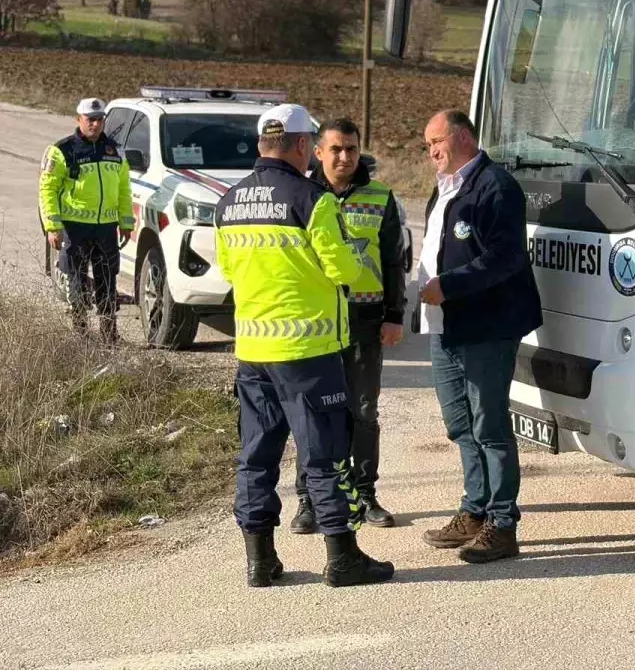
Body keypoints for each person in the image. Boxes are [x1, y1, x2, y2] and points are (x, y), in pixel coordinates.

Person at [214, 103, 393, 589]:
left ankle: (260, 561)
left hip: (253, 353)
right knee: (325, 455)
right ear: (299, 145)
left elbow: (228, 273)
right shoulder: (314, 199)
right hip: (309, 352)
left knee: (255, 455)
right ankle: (343, 558)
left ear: (260, 145)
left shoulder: (228, 202)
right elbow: (343, 271)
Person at [416, 109, 542, 564]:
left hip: (487, 326)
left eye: (436, 141)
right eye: (426, 145)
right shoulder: (446, 187)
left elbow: (506, 258)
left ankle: (503, 524)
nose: (431, 151)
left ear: (463, 136)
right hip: (447, 327)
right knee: (460, 425)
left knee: (488, 425)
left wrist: (448, 286)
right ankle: (475, 510)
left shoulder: (496, 187)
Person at [290, 117, 409, 534]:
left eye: (352, 149)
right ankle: (309, 501)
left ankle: (364, 494)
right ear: (317, 151)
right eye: (336, 149)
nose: (345, 157)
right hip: (316, 322)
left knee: (363, 412)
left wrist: (395, 315)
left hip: (363, 319)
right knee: (314, 415)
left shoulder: (381, 197)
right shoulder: (301, 195)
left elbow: (395, 261)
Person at [38, 98, 134, 343]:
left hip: (105, 229)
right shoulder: (62, 150)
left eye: (100, 119)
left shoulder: (115, 150)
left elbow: (123, 188)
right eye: (90, 119)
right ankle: (81, 332)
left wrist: (126, 222)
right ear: (78, 119)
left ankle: (108, 332)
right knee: (76, 280)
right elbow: (47, 190)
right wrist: (52, 226)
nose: (95, 124)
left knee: (107, 280)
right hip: (75, 227)